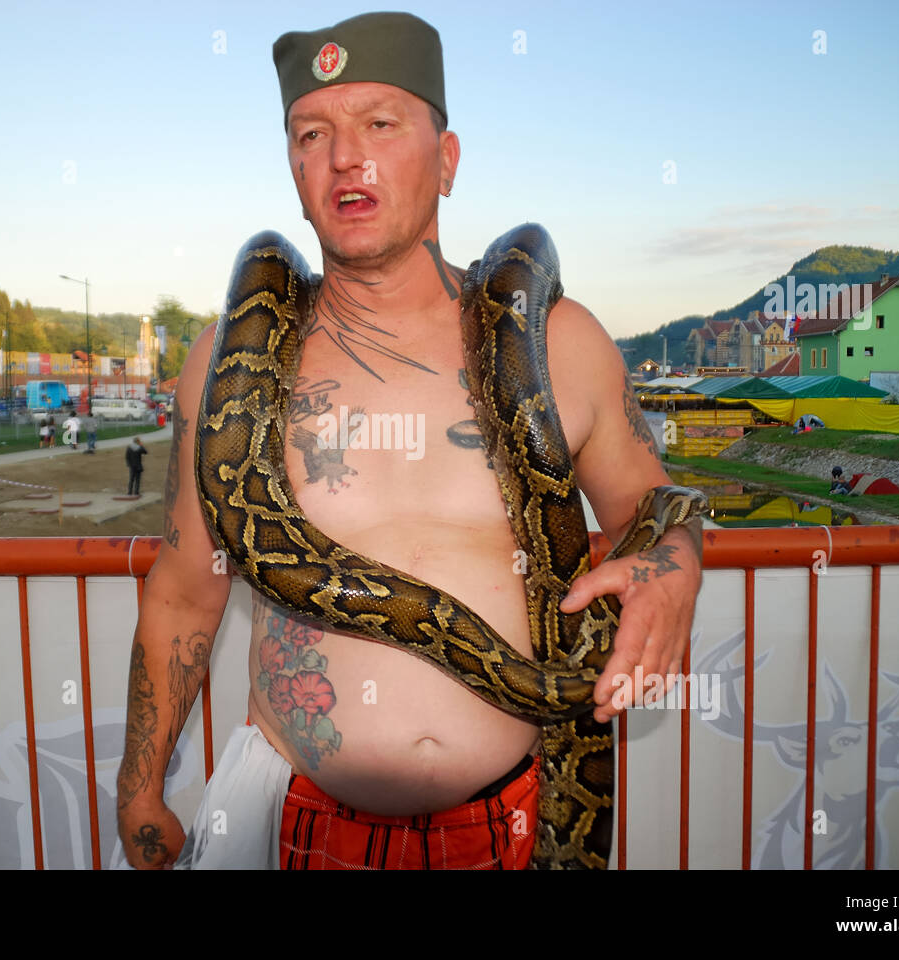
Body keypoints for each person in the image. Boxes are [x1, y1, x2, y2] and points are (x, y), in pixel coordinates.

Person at [118, 11, 702, 871]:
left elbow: (657, 504)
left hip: (518, 822)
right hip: (298, 826)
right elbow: (182, 593)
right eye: (313, 133)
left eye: (381, 124)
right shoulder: (223, 364)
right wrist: (139, 787)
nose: (345, 157)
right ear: (294, 166)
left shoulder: (562, 343)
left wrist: (676, 562)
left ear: (448, 158)